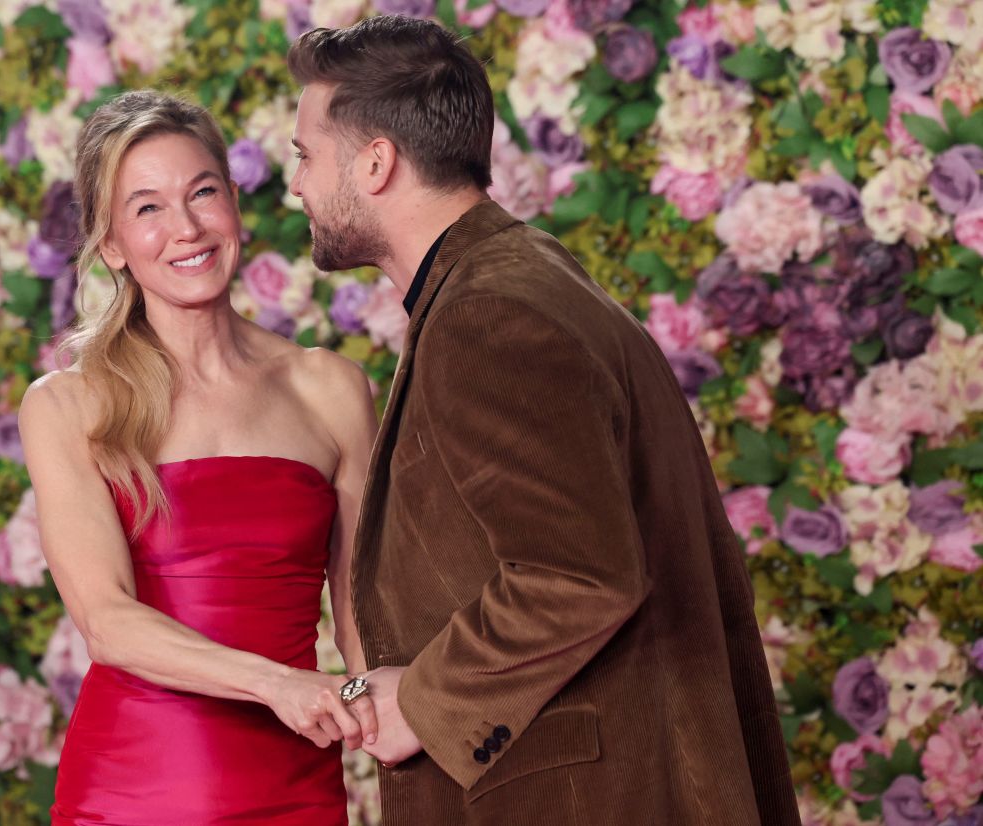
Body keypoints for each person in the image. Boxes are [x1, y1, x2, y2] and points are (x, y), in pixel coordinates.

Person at [286, 16, 801, 826]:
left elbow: (578, 575)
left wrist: (420, 701)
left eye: (305, 156)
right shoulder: (530, 279)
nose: (298, 186)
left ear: (376, 162)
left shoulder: (486, 316)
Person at [18, 90, 379, 826]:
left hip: (296, 782)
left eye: (202, 193)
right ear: (112, 243)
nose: (186, 227)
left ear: (235, 204)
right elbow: (108, 622)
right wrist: (279, 685)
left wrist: (387, 720)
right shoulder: (68, 406)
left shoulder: (331, 389)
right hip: (133, 786)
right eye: (147, 208)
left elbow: (364, 611)